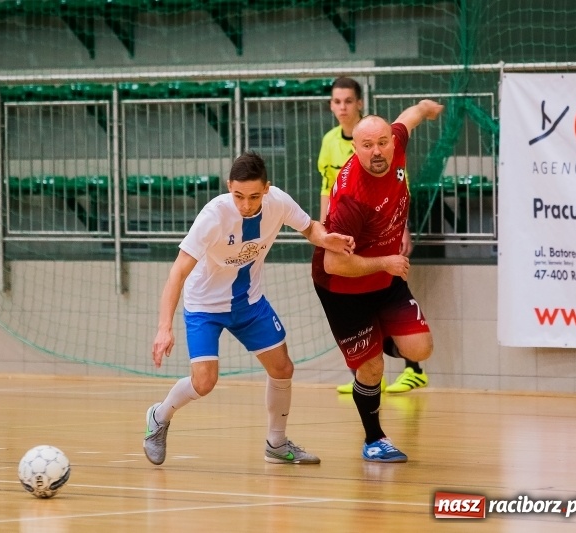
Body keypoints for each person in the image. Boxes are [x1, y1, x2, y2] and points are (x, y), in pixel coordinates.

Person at [144, 151, 355, 466]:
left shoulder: (278, 203)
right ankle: (159, 416)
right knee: (204, 382)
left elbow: (310, 227)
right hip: (204, 305)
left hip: (249, 302)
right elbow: (177, 272)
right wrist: (164, 328)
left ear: (267, 189)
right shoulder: (212, 217)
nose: (246, 204)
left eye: (254, 196)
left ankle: (277, 443)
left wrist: (326, 240)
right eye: (238, 196)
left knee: (282, 368)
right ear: (229, 186)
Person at [312, 99, 444, 462]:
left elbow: (408, 119)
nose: (377, 151)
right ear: (354, 148)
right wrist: (386, 260)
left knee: (421, 349)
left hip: (385, 276)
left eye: (382, 142)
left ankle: (380, 334)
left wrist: (424, 107)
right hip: (343, 287)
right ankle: (374, 439)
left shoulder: (396, 143)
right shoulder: (352, 199)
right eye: (367, 146)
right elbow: (335, 264)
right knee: (371, 368)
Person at [318, 77, 430, 395]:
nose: (342, 107)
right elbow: (327, 188)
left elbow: (397, 181)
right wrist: (323, 234)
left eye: (348, 101)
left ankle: (412, 367)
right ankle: (369, 368)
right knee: (355, 286)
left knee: (389, 287)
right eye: (337, 101)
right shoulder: (330, 142)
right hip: (350, 235)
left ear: (359, 103)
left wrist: (402, 225)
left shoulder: (384, 137)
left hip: (384, 233)